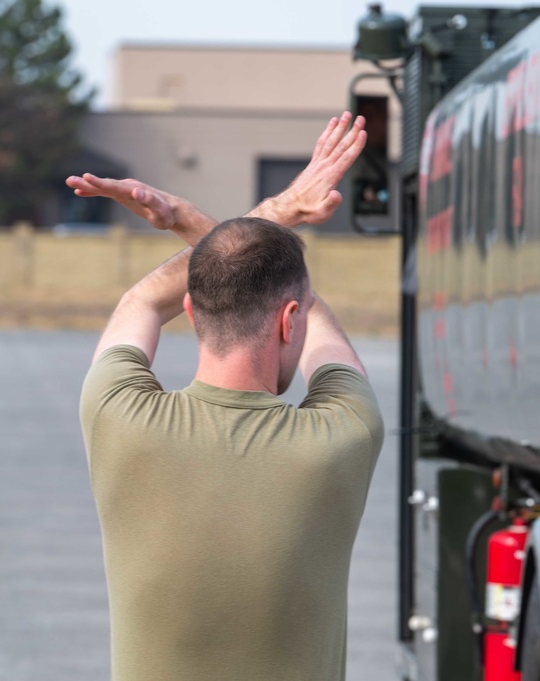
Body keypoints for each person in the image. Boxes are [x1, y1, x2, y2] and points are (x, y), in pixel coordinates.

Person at [73, 112, 383, 681]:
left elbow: (142, 302)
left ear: (190, 312)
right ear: (289, 320)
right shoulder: (345, 433)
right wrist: (204, 222)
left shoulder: (115, 413)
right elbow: (309, 311)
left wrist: (265, 214)